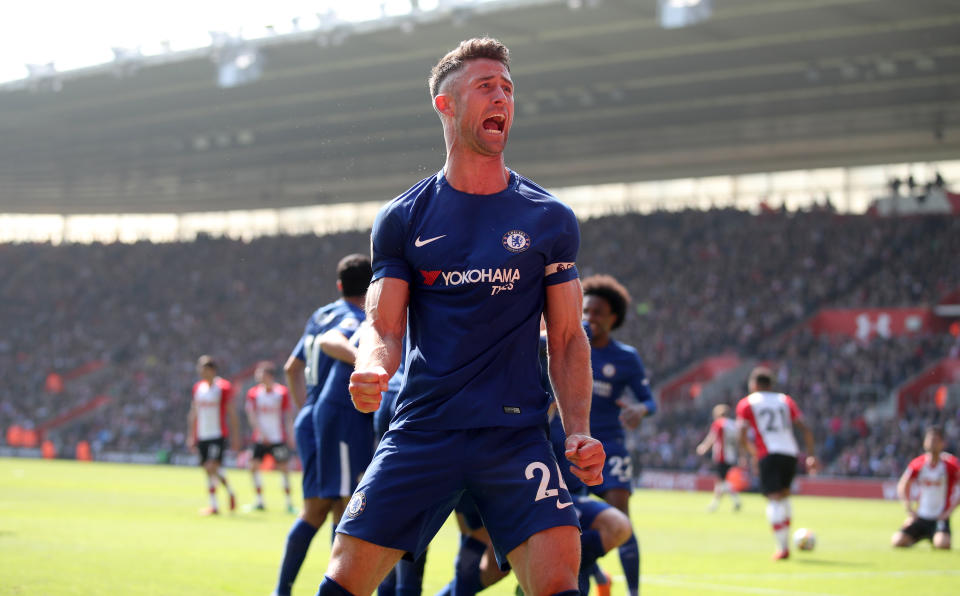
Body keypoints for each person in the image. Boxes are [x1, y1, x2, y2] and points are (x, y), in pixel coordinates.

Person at [324, 37, 605, 596]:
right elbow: (384, 325)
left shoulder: (549, 218)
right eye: (485, 86)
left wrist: (577, 432)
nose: (501, 96)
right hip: (425, 429)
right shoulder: (403, 219)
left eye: (507, 88)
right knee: (345, 580)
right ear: (445, 104)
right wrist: (372, 367)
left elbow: (569, 338)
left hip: (516, 436)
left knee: (557, 579)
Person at [272, 254, 372, 596]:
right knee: (345, 508)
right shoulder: (354, 318)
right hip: (338, 418)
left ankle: (282, 590)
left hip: (313, 415)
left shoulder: (321, 313)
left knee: (315, 509)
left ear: (339, 285)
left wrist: (306, 409)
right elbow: (335, 340)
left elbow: (291, 367)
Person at [579, 274, 655, 596]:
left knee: (621, 518)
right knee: (572, 519)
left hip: (610, 444)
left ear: (614, 318)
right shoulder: (566, 345)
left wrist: (640, 410)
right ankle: (595, 573)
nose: (589, 318)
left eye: (597, 312)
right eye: (586, 311)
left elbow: (648, 398)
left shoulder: (626, 357)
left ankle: (634, 591)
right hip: (571, 444)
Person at [736, 366, 818, 560]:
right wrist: (811, 455)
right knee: (785, 497)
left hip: (769, 453)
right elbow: (805, 428)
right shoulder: (785, 400)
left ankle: (782, 548)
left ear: (754, 385)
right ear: (771, 384)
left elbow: (741, 434)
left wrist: (751, 453)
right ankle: (785, 543)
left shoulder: (747, 403)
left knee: (773, 499)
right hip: (790, 452)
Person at [187, 355, 240, 515]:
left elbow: (231, 412)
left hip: (217, 434)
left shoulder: (223, 387)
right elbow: (194, 412)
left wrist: (236, 435)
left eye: (203, 368)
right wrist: (191, 435)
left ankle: (215, 504)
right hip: (202, 435)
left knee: (211, 466)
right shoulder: (198, 388)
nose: (200, 372)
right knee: (208, 469)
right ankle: (224, 497)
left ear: (212, 370)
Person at [891, 426, 959, 550]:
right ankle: (917, 536)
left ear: (942, 443)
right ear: (925, 442)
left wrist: (949, 512)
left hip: (940, 517)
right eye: (930, 440)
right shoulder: (918, 463)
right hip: (921, 516)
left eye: (936, 440)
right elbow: (903, 484)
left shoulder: (950, 465)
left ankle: (937, 537)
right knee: (897, 541)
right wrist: (909, 509)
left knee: (942, 545)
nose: (932, 443)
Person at [245, 360, 294, 512]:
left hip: (277, 438)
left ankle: (289, 503)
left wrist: (290, 435)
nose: (257, 375)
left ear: (269, 375)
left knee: (284, 468)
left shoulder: (282, 393)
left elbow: (287, 416)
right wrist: (260, 433)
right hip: (260, 438)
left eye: (261, 372)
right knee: (253, 467)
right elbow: (252, 416)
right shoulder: (253, 393)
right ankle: (259, 501)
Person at [696, 404, 742, 512]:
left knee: (723, 481)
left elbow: (712, 437)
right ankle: (715, 504)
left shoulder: (719, 423)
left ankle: (736, 501)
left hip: (721, 455)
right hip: (731, 455)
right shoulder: (733, 424)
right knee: (721, 481)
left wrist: (704, 447)